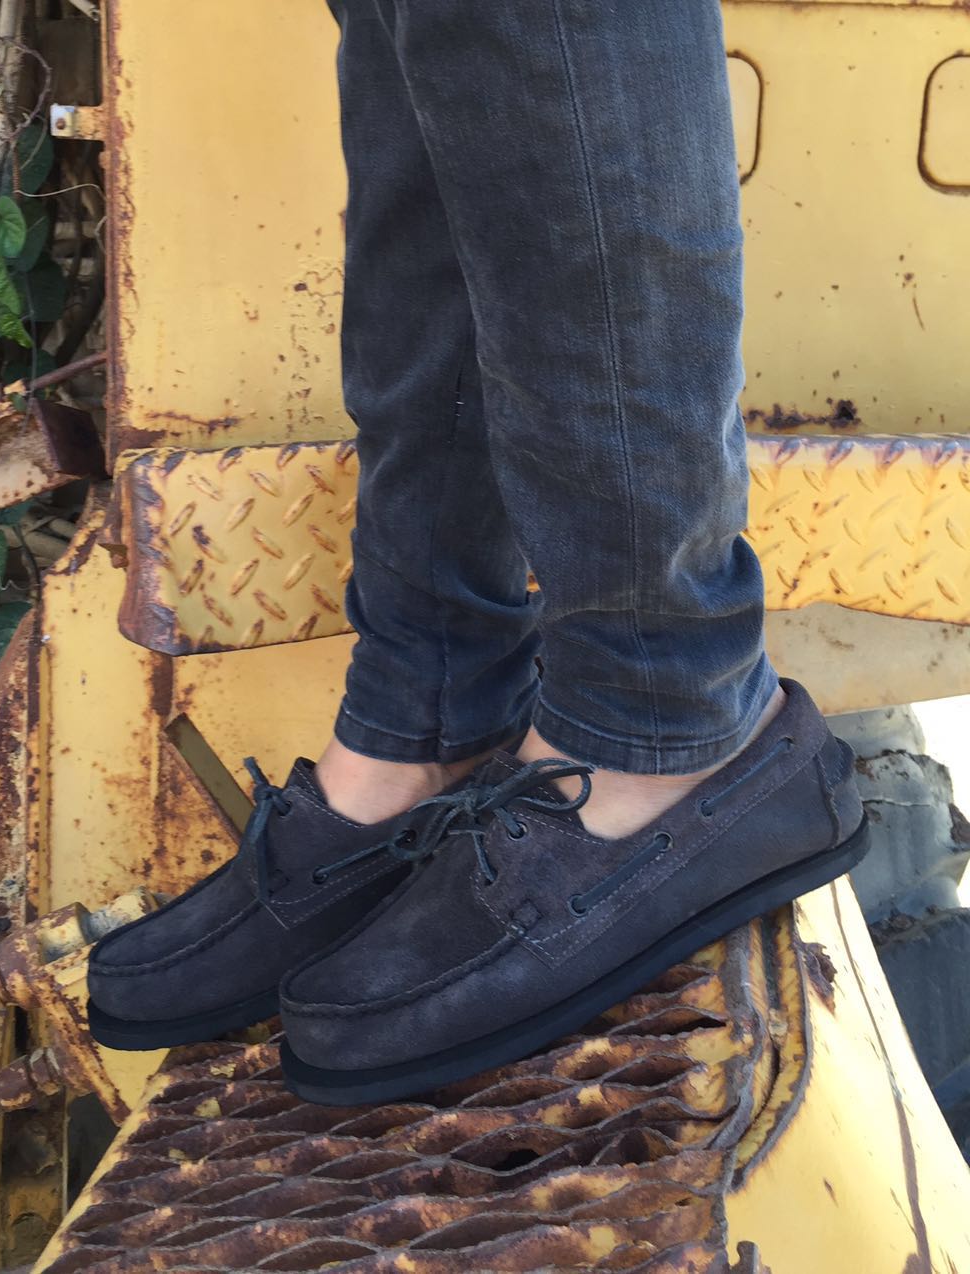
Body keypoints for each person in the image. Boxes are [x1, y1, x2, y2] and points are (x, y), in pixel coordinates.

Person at [87, 0, 869, 1105]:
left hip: (662, 716)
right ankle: (426, 714)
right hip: (427, 689)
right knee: (416, 43)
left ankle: (658, 714)